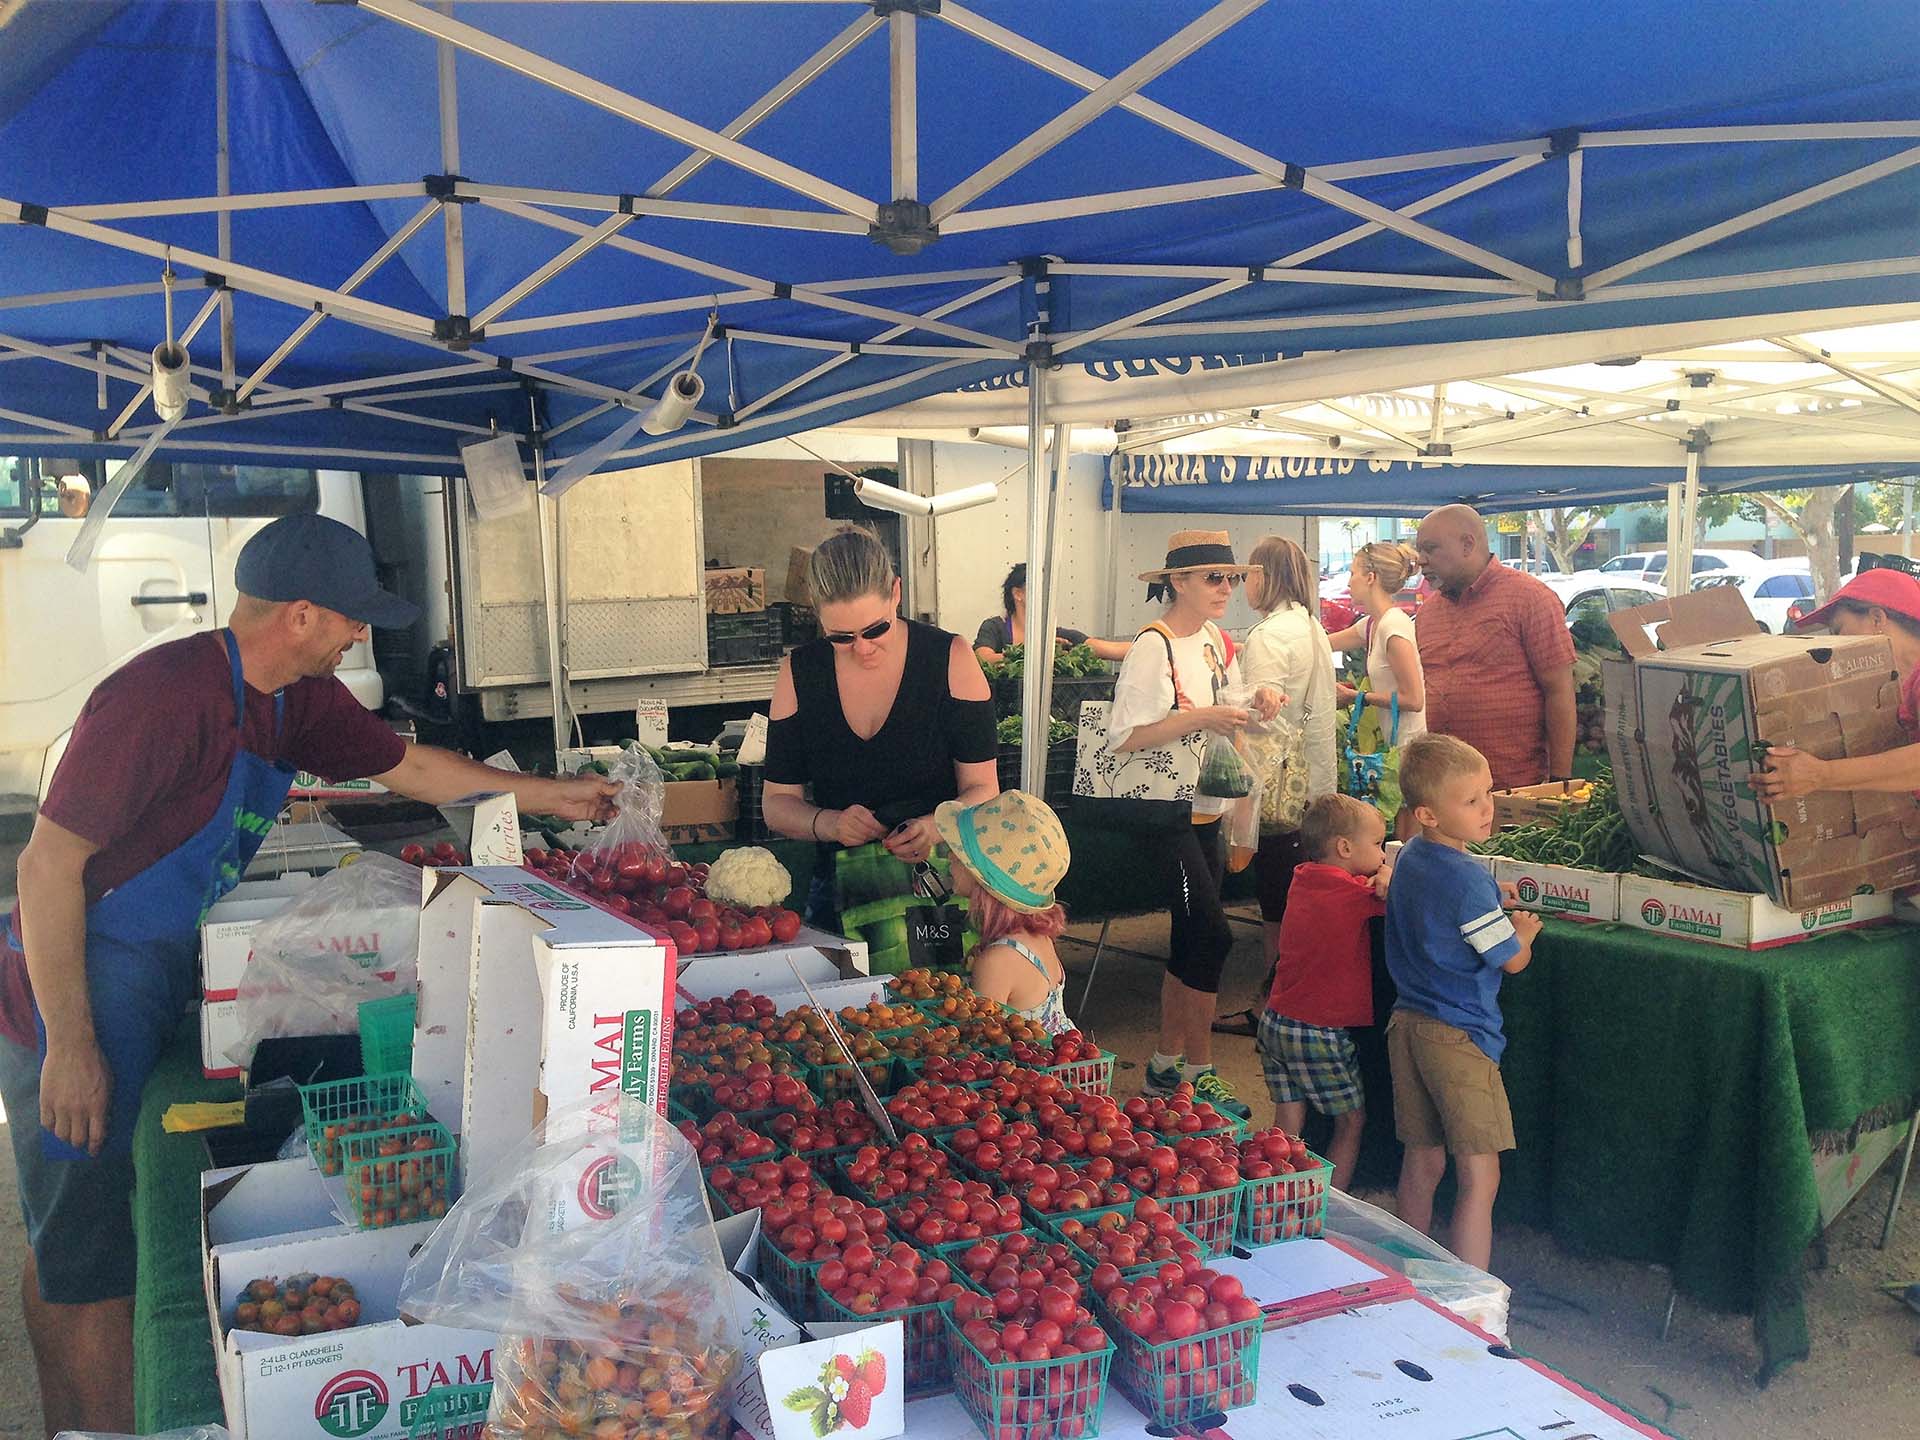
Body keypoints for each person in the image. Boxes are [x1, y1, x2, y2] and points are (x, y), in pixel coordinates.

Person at [0, 512, 619, 1438]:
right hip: (65, 990)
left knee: (108, 1233)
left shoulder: (302, 700)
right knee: (80, 1252)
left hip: (150, 974)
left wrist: (554, 796)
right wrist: (71, 1047)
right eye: (350, 618)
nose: (360, 634)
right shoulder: (162, 695)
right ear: (297, 614)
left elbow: (411, 767)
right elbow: (45, 866)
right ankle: (83, 1427)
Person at [1108, 529, 1282, 1114]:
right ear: (1176, 582)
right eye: (1214, 577)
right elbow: (1126, 737)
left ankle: (1164, 1065)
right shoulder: (1152, 646)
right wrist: (1201, 714)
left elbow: (1229, 713)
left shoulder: (1212, 639)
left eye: (1232, 577)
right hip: (1165, 814)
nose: (1226, 588)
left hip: (1205, 809)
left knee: (1192, 938)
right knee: (1212, 933)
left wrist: (1256, 703)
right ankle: (1199, 1070)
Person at [762, 526, 999, 928]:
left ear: (897, 593)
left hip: (942, 885)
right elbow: (777, 804)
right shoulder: (799, 672)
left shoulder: (950, 657)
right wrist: (830, 823)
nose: (863, 648)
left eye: (876, 629)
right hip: (840, 890)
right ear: (817, 617)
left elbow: (983, 789)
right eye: (841, 637)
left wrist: (936, 825)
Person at [1384, 732, 1542, 1271]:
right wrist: (1522, 931)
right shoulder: (1470, 879)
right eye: (1470, 801)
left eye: (1488, 794)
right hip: (1459, 1034)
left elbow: (1444, 906)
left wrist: (1489, 902)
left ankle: (1405, 1270)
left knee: (1422, 1159)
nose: (1487, 809)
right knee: (1480, 1173)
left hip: (1406, 1026)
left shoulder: (1409, 857)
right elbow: (1510, 960)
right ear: (1428, 813)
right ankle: (1471, 1297)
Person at [1212, 534, 1337, 1039]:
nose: (1241, 585)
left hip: (1275, 787)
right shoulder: (1311, 627)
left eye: (1246, 576)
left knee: (1276, 905)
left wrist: (1221, 699)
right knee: (1296, 896)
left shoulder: (1270, 635)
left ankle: (1272, 1008)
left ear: (1265, 576)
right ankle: (1291, 1002)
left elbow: (1259, 718)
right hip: (1312, 779)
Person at [1256, 794, 1391, 1191]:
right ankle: (1329, 1205)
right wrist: (1385, 877)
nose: (1382, 854)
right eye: (1378, 844)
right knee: (1351, 1121)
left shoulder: (1302, 878)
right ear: (1345, 848)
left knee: (1289, 1118)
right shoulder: (1353, 896)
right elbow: (1392, 898)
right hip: (1319, 1031)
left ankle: (1275, 1194)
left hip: (1276, 1021)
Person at [1412, 505, 1576, 792]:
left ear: (1467, 544)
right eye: (1419, 550)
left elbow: (1559, 689)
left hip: (1515, 786)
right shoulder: (1427, 614)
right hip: (1447, 791)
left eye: (1431, 548)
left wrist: (1560, 780)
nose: (1421, 560)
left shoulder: (1531, 599)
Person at [1752, 565, 1920, 802]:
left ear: (1876, 618)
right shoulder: (1901, 686)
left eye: (1839, 631)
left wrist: (1820, 775)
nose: (1837, 645)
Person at [936, 789, 1072, 1034]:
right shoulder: (1037, 938)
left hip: (1019, 1070)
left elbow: (978, 1042)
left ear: (981, 878)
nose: (949, 855)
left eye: (959, 852)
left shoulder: (996, 961)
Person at [1326, 540, 1427, 747]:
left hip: (1408, 747)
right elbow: (1321, 644)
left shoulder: (1393, 626)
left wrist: (1356, 696)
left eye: (1353, 574)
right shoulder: (1372, 623)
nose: (1348, 583)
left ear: (1370, 578)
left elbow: (1414, 700)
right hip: (1393, 744)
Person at [973, 563, 1132, 666]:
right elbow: (983, 658)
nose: (1046, 594)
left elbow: (1113, 649)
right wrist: (1035, 653)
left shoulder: (1060, 637)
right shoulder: (995, 628)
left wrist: (1151, 645)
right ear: (1018, 594)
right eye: (1039, 587)